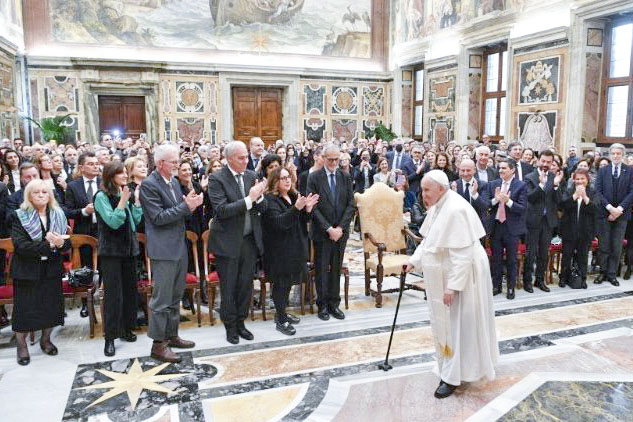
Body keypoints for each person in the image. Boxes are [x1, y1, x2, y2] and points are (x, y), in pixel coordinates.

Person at [406, 170, 498, 399]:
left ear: (441, 188)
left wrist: (452, 287)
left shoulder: (455, 209)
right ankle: (450, 367)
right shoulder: (439, 205)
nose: (423, 194)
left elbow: (462, 255)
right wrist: (414, 261)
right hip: (450, 272)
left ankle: (454, 376)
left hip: (465, 277)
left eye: (427, 189)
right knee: (450, 325)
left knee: (460, 325)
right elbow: (430, 241)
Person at [140, 143, 203, 363]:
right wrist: (186, 207)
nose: (177, 165)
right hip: (163, 248)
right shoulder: (149, 185)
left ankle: (171, 334)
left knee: (175, 295)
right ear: (160, 164)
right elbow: (158, 217)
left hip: (178, 245)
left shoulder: (174, 182)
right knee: (161, 299)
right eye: (174, 162)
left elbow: (178, 213)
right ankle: (158, 345)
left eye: (177, 161)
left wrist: (190, 205)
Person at [207, 141, 268, 345]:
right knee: (229, 286)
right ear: (229, 159)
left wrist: (259, 198)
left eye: (246, 157)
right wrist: (250, 199)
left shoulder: (251, 176)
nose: (246, 161)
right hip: (227, 242)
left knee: (245, 286)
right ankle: (230, 326)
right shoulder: (217, 178)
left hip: (249, 241)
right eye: (241, 158)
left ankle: (241, 322)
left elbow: (263, 206)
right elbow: (222, 210)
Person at [10, 179, 70, 366]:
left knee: (50, 306)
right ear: (29, 195)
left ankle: (46, 340)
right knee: (25, 310)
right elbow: (21, 246)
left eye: (45, 192)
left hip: (51, 269)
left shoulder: (58, 214)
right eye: (37, 192)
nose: (41, 195)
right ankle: (22, 346)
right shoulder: (19, 216)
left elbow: (66, 243)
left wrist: (60, 243)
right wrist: (50, 244)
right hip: (27, 270)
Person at [94, 162, 143, 357]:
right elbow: (113, 222)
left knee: (130, 291)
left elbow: (134, 222)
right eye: (120, 173)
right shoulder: (101, 197)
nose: (125, 175)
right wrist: (123, 201)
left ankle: (126, 329)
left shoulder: (125, 192)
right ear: (110, 176)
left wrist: (136, 202)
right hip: (111, 252)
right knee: (113, 295)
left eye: (125, 172)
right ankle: (110, 337)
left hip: (129, 250)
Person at [262, 168, 318, 335]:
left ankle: (283, 313)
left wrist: (306, 210)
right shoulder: (270, 200)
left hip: (295, 247)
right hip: (279, 251)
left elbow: (302, 221)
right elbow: (279, 224)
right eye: (283, 178)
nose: (287, 181)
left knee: (288, 284)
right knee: (281, 285)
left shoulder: (294, 195)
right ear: (275, 181)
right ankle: (280, 319)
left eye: (288, 177)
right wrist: (296, 208)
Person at [307, 143, 356, 321]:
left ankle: (334, 304)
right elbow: (313, 208)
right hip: (322, 232)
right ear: (324, 158)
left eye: (337, 159)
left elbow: (351, 204)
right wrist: (328, 228)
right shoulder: (314, 177)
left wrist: (340, 228)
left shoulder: (345, 177)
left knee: (336, 268)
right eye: (331, 159)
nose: (334, 162)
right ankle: (322, 305)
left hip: (340, 233)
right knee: (321, 269)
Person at [522, 150, 563, 293]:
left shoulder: (554, 177)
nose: (545, 164)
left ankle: (539, 280)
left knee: (544, 253)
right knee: (530, 252)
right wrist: (541, 185)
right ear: (538, 160)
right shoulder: (529, 177)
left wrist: (556, 186)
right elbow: (530, 197)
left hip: (548, 221)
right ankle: (527, 281)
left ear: (552, 163)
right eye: (543, 161)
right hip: (533, 220)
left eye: (549, 162)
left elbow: (558, 201)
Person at [595, 143, 633, 286]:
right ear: (610, 155)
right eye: (614, 153)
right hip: (604, 214)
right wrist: (610, 208)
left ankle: (612, 274)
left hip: (622, 215)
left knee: (616, 246)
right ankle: (602, 272)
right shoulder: (603, 171)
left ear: (623, 155)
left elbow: (631, 192)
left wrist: (619, 210)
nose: (616, 156)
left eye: (619, 153)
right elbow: (598, 192)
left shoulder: (629, 171)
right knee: (604, 245)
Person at [489, 159, 528, 299]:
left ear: (512, 170)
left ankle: (511, 288)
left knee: (511, 260)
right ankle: (496, 286)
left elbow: (522, 208)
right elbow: (487, 204)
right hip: (496, 227)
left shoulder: (521, 186)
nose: (500, 170)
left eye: (504, 168)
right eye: (499, 168)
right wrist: (495, 199)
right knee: (496, 259)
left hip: (512, 228)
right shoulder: (493, 184)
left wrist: (508, 201)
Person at [559, 169, 595, 289]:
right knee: (566, 256)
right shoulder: (569, 190)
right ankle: (563, 278)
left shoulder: (593, 191)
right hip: (569, 230)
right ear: (573, 180)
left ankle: (582, 279)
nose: (580, 181)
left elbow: (595, 209)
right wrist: (575, 196)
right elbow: (563, 205)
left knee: (583, 257)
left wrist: (585, 197)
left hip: (585, 231)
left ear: (587, 180)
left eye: (582, 179)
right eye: (577, 179)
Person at [451, 159, 490, 234]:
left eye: (468, 170)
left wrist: (475, 194)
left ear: (474, 170)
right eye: (462, 170)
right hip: (458, 227)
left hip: (477, 227)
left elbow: (485, 207)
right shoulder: (453, 185)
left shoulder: (483, 185)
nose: (465, 173)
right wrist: (454, 196)